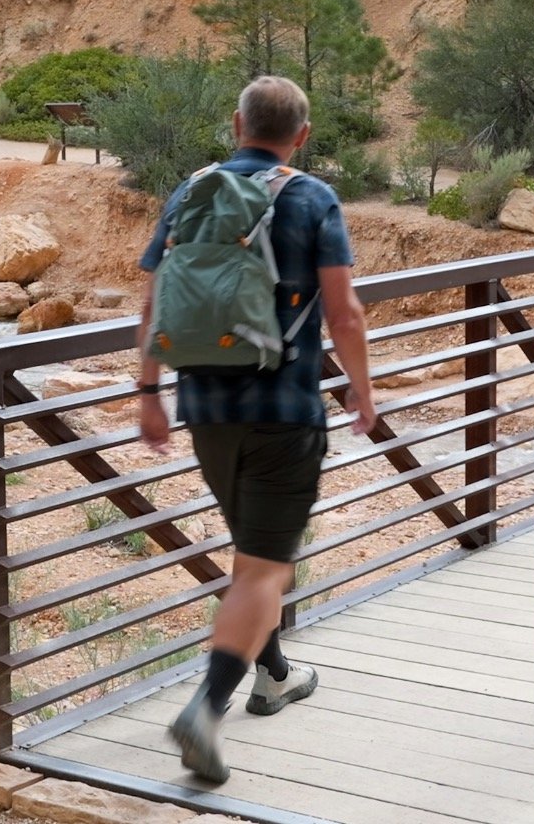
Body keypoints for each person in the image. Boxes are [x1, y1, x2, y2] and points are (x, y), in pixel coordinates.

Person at [136, 75, 376, 784]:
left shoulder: (190, 191)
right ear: (301, 136)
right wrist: (365, 393)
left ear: (235, 123)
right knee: (266, 566)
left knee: (252, 557)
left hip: (204, 406)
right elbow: (346, 315)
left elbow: (151, 298)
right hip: (284, 411)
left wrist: (147, 391)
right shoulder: (311, 196)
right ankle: (205, 710)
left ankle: (273, 674)